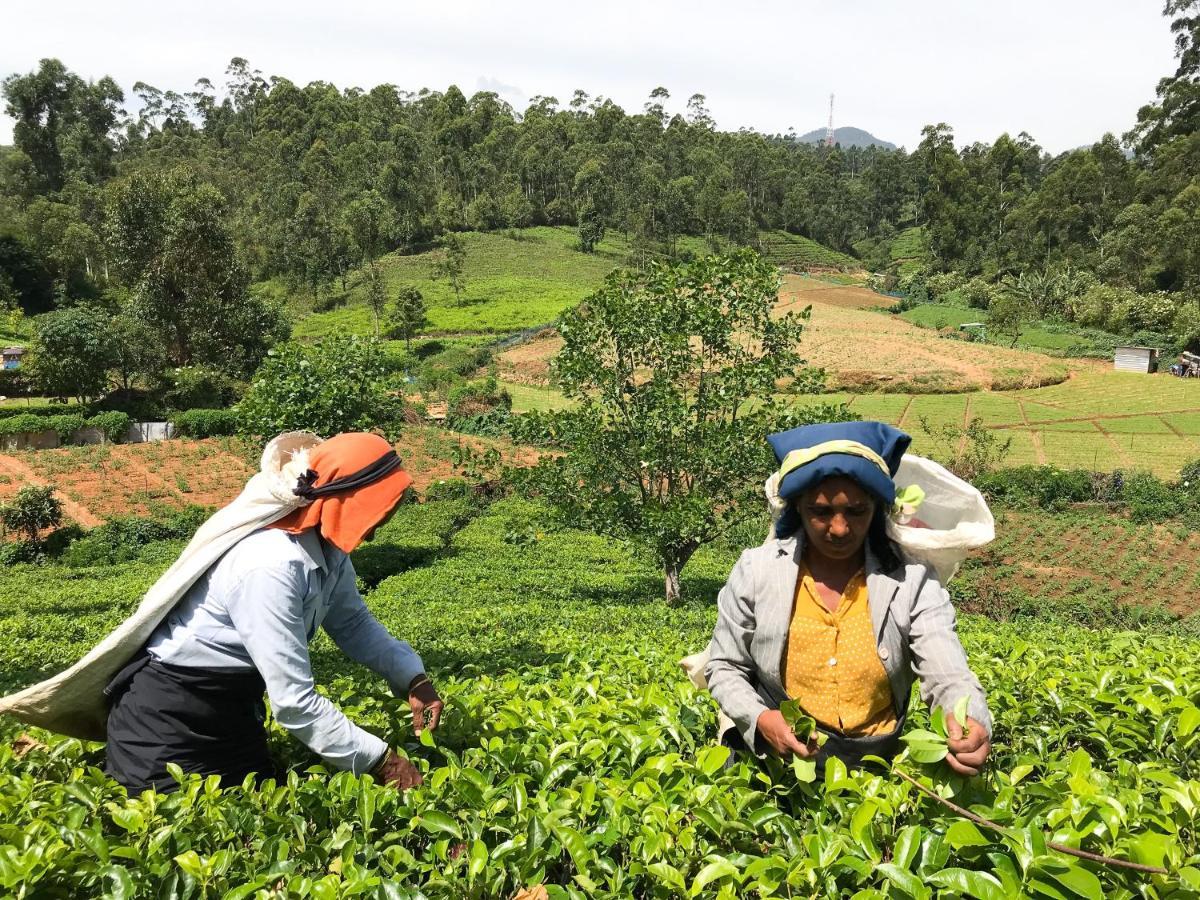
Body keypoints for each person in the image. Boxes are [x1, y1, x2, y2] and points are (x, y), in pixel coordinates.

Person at [104, 432, 441, 793]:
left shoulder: (328, 548)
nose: (379, 526)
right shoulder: (270, 565)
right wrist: (382, 762)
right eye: (377, 510)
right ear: (342, 502)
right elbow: (295, 703)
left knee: (257, 817)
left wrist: (411, 677)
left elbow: (352, 622)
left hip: (235, 712)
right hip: (168, 723)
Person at [705, 421, 991, 776]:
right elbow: (725, 666)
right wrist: (761, 718)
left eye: (856, 512)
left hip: (874, 770)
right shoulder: (757, 572)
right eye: (820, 511)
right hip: (777, 769)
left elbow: (948, 673)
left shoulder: (911, 579)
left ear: (876, 508)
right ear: (798, 509)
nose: (839, 529)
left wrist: (967, 719)